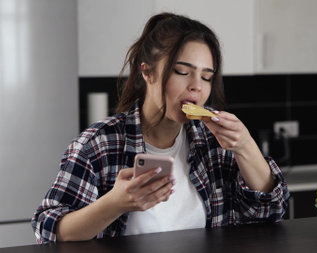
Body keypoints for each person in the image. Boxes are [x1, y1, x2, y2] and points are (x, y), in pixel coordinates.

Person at [31, 12, 290, 243]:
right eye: (181, 71)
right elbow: (48, 230)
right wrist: (114, 203)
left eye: (207, 77)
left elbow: (271, 213)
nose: (197, 86)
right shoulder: (99, 143)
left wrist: (245, 147)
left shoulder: (214, 144)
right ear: (148, 72)